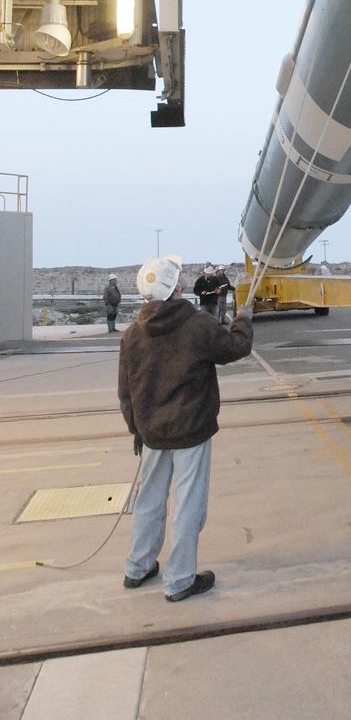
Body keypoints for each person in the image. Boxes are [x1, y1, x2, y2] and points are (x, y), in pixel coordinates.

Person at [118, 254, 253, 601]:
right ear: (177, 287)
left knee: (148, 500)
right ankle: (179, 580)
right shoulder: (198, 326)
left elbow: (126, 390)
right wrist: (243, 320)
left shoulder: (132, 335)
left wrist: (137, 428)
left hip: (151, 435)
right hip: (190, 430)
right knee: (189, 504)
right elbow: (236, 348)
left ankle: (138, 567)